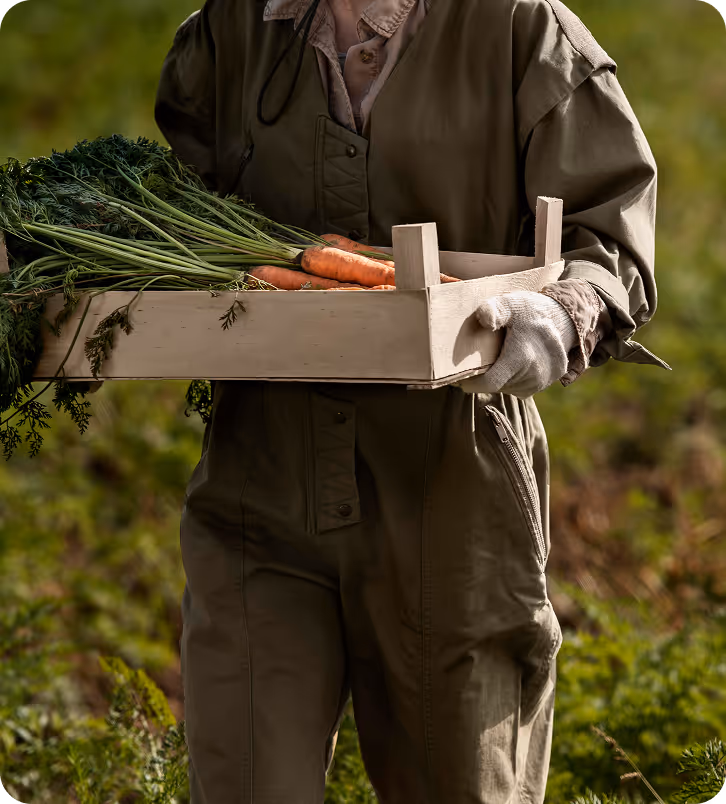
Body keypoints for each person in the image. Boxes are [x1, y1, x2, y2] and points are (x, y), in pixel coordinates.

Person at [155, 1, 669, 801]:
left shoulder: (521, 29)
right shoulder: (234, 26)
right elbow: (169, 198)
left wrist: (565, 311)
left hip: (451, 485)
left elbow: (609, 232)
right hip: (259, 483)